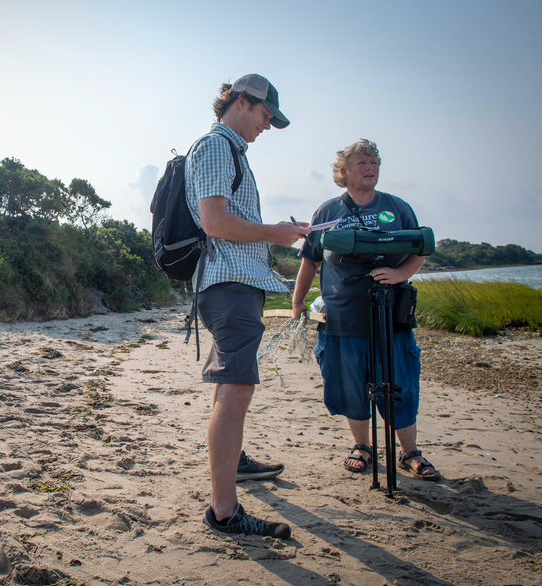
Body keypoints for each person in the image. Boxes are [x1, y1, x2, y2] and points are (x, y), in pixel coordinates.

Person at [185, 74, 309, 539]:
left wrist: (277, 233)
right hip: (228, 284)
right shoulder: (217, 146)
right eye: (265, 116)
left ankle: (233, 463)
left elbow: (221, 221)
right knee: (236, 390)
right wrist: (274, 233)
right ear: (242, 101)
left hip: (232, 284)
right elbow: (216, 222)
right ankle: (223, 513)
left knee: (229, 388)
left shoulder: (228, 150)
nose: (267, 126)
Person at [293, 139, 440, 482]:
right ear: (343, 172)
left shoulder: (397, 208)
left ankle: (410, 452)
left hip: (393, 316)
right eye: (361, 162)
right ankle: (362, 446)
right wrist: (298, 301)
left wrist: (399, 274)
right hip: (343, 317)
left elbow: (419, 250)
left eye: (374, 161)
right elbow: (310, 261)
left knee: (400, 381)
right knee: (349, 383)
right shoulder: (327, 213)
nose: (370, 166)